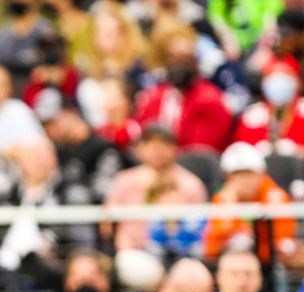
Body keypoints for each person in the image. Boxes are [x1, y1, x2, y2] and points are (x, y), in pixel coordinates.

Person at [104, 124, 208, 253]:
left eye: (164, 143)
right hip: (132, 251)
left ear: (175, 148)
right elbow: (107, 225)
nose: (157, 150)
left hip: (179, 252)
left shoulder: (191, 184)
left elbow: (200, 228)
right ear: (140, 149)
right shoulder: (124, 181)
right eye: (151, 144)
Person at [132, 21, 232, 153]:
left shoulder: (210, 100)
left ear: (195, 60)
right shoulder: (152, 97)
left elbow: (200, 152)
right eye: (174, 58)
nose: (179, 65)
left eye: (186, 59)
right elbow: (140, 137)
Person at [203, 142, 301, 271]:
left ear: (261, 174)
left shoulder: (275, 197)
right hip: (233, 265)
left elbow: (282, 242)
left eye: (249, 174)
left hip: (270, 267)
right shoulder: (223, 199)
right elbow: (212, 248)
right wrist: (229, 211)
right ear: (228, 177)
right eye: (238, 175)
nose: (245, 181)